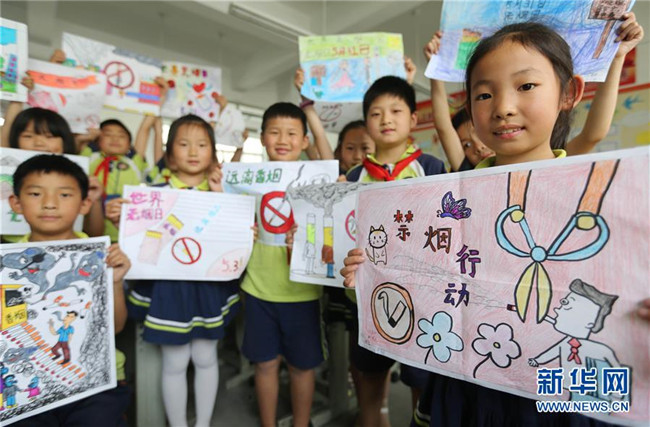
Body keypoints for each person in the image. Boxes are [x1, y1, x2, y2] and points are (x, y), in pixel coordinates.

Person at [341, 76, 446, 427]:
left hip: (423, 302)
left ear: (413, 119)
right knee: (369, 383)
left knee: (421, 390)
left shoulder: (431, 168)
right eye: (376, 113)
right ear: (366, 122)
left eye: (396, 111)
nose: (386, 119)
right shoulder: (354, 176)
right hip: (366, 301)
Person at [123, 115, 240, 427]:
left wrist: (224, 200)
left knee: (206, 358)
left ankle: (202, 424)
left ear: (212, 154)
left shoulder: (223, 195)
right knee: (174, 362)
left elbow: (233, 240)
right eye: (184, 144)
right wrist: (121, 217)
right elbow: (143, 244)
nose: (193, 151)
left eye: (202, 144)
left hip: (208, 289)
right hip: (169, 290)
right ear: (170, 154)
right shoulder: (153, 195)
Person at [423, 12, 643, 171]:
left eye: (526, 86)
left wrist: (616, 57)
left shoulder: (565, 170)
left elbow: (594, 132)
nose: (503, 109)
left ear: (568, 94)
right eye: (484, 95)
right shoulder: (468, 184)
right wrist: (435, 70)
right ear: (470, 108)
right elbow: (444, 127)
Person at [8, 154, 131, 426]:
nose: (50, 203)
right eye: (36, 193)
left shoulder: (101, 257)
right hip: (28, 383)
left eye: (64, 194)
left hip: (94, 383)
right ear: (16, 202)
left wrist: (114, 281)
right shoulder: (10, 264)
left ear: (85, 203)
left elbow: (117, 327)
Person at [240, 103, 325, 427]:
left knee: (302, 367)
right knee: (264, 364)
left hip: (302, 292)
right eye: (274, 132)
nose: (282, 139)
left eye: (291, 133)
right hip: (258, 288)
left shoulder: (316, 182)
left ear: (304, 141)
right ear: (262, 138)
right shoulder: (248, 181)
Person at [83, 77, 167, 243]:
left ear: (129, 143)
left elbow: (145, 128)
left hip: (124, 235)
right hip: (90, 232)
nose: (115, 139)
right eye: (108, 134)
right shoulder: (89, 155)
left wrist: (160, 96)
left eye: (121, 136)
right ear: (98, 139)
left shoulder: (134, 160)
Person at [2, 107, 104, 241]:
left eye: (49, 137)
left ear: (64, 141)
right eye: (28, 136)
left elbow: (95, 234)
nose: (39, 143)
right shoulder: (5, 165)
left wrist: (95, 200)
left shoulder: (75, 174)